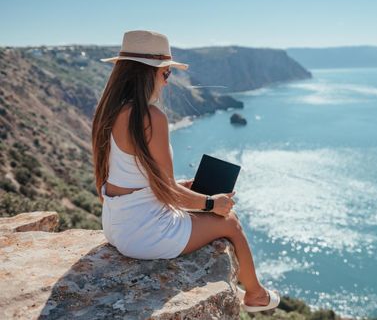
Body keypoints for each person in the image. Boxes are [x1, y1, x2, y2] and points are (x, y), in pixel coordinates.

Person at [92, 30, 279, 312]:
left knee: (209, 208)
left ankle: (252, 291)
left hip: (116, 226)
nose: (166, 82)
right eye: (165, 74)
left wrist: (183, 185)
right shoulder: (151, 116)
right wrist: (211, 204)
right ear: (149, 73)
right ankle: (256, 295)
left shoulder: (109, 112)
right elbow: (167, 192)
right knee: (230, 220)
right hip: (145, 235)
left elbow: (130, 178)